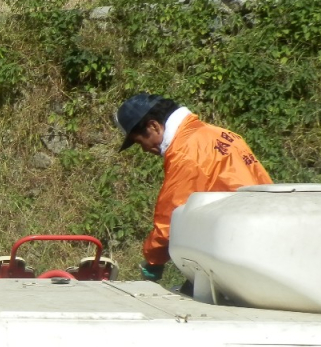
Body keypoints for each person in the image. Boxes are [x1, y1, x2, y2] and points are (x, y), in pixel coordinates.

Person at [116, 94, 272, 281]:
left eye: (141, 141)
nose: (144, 149)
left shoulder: (185, 152)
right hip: (263, 236)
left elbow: (171, 217)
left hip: (235, 247)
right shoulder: (222, 134)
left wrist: (153, 259)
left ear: (153, 126)